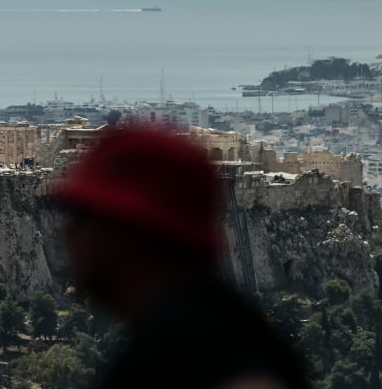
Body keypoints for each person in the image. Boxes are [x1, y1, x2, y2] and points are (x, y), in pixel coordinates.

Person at [56, 126, 309, 389]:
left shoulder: (207, 348)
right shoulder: (194, 329)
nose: (66, 231)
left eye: (79, 213)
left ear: (129, 231)